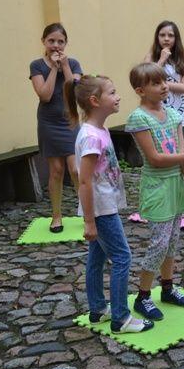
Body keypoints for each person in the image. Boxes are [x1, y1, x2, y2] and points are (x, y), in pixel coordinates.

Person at [64, 74, 153, 334]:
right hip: (101, 209)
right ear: (95, 101)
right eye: (112, 93)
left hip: (104, 204)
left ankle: (98, 309)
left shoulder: (98, 130)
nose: (118, 97)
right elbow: (84, 182)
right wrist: (89, 221)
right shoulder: (91, 137)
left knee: (97, 257)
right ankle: (121, 318)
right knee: (122, 256)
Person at [125, 63, 184, 321]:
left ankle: (168, 288)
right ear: (140, 90)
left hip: (175, 187)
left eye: (164, 80)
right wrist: (183, 155)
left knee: (172, 241)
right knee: (158, 244)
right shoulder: (138, 118)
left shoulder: (173, 115)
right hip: (157, 188)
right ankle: (143, 296)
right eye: (156, 83)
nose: (164, 86)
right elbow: (154, 159)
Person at [29, 23, 82, 233]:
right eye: (51, 41)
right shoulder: (36, 66)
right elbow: (45, 95)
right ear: (44, 41)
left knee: (76, 169)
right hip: (49, 123)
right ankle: (57, 216)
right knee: (57, 171)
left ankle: (86, 212)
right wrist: (53, 69)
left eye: (60, 41)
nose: (56, 46)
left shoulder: (74, 63)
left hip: (70, 121)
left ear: (66, 43)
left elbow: (72, 91)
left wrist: (65, 66)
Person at [144, 20, 184, 127]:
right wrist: (161, 61)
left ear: (176, 39)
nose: (166, 38)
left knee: (179, 143)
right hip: (156, 113)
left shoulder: (180, 59)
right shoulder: (150, 57)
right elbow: (146, 80)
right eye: (162, 35)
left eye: (170, 35)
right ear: (157, 37)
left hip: (178, 113)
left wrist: (160, 84)